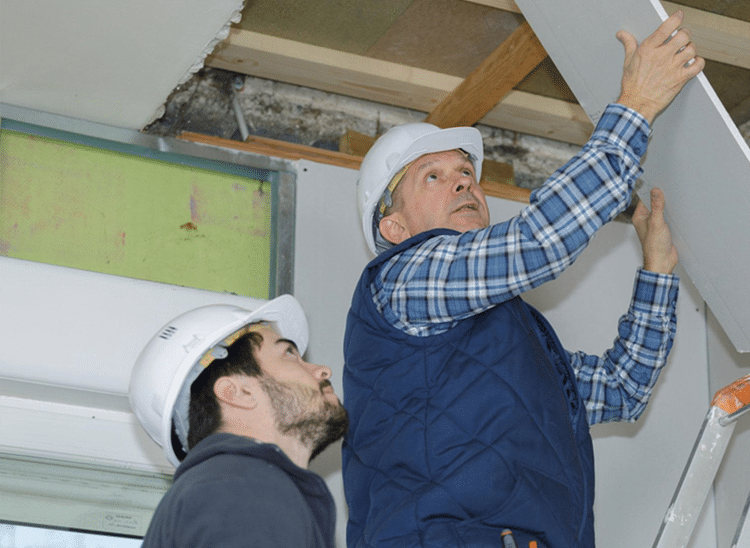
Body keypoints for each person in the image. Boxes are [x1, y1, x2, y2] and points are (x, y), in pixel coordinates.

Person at [342, 11, 703, 548]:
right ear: (393, 228)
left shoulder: (510, 338)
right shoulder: (401, 282)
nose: (463, 182)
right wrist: (636, 107)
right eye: (433, 176)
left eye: (466, 172)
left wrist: (656, 274)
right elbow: (538, 243)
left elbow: (622, 390)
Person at [128, 294, 348, 548]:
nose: (322, 370)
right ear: (238, 393)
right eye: (288, 353)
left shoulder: (221, 488)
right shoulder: (246, 488)